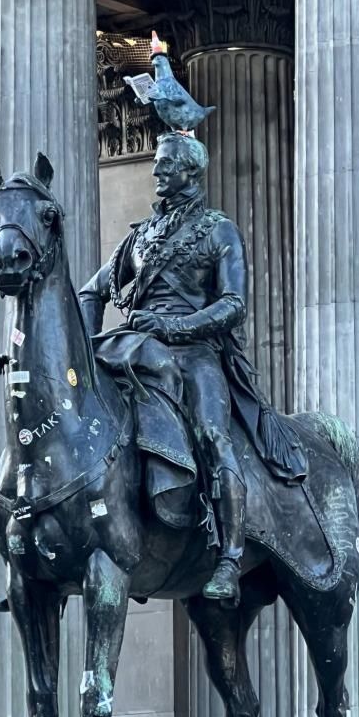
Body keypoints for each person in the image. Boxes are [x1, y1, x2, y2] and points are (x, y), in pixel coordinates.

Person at [78, 131, 306, 602]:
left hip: (196, 354)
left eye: (165, 164)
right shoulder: (139, 236)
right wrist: (80, 355)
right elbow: (91, 291)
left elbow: (232, 305)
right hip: (137, 351)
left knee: (211, 434)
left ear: (190, 170)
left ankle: (229, 553)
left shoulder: (217, 230)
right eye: (156, 163)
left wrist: (173, 326)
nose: (156, 171)